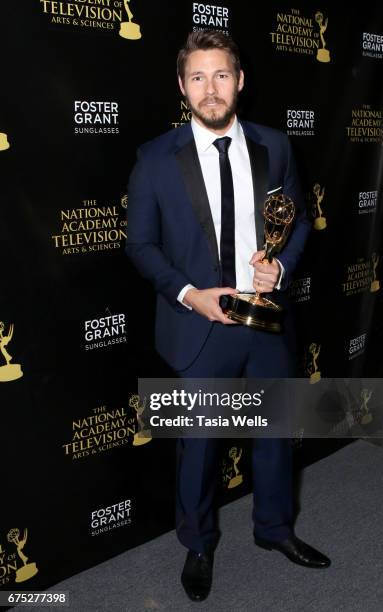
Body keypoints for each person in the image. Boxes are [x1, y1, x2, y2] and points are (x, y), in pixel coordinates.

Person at [126, 30, 331, 602]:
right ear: (182, 86)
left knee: (275, 435)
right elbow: (140, 245)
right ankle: (197, 544)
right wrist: (190, 293)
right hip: (199, 326)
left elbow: (301, 223)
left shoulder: (276, 146)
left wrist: (281, 271)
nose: (210, 89)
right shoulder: (154, 159)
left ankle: (275, 530)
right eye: (197, 77)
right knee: (200, 442)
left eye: (220, 75)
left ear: (239, 81)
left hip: (265, 320)